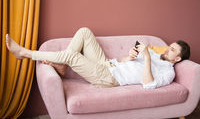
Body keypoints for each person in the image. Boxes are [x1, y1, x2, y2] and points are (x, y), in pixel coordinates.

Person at [6, 27, 190, 89]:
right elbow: (127, 63)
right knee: (85, 31)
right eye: (169, 46)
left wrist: (148, 58)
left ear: (178, 59)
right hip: (108, 64)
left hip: (109, 78)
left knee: (71, 56)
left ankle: (24, 53)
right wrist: (132, 56)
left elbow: (148, 85)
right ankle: (62, 67)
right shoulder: (158, 54)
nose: (167, 49)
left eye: (172, 50)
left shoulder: (168, 73)